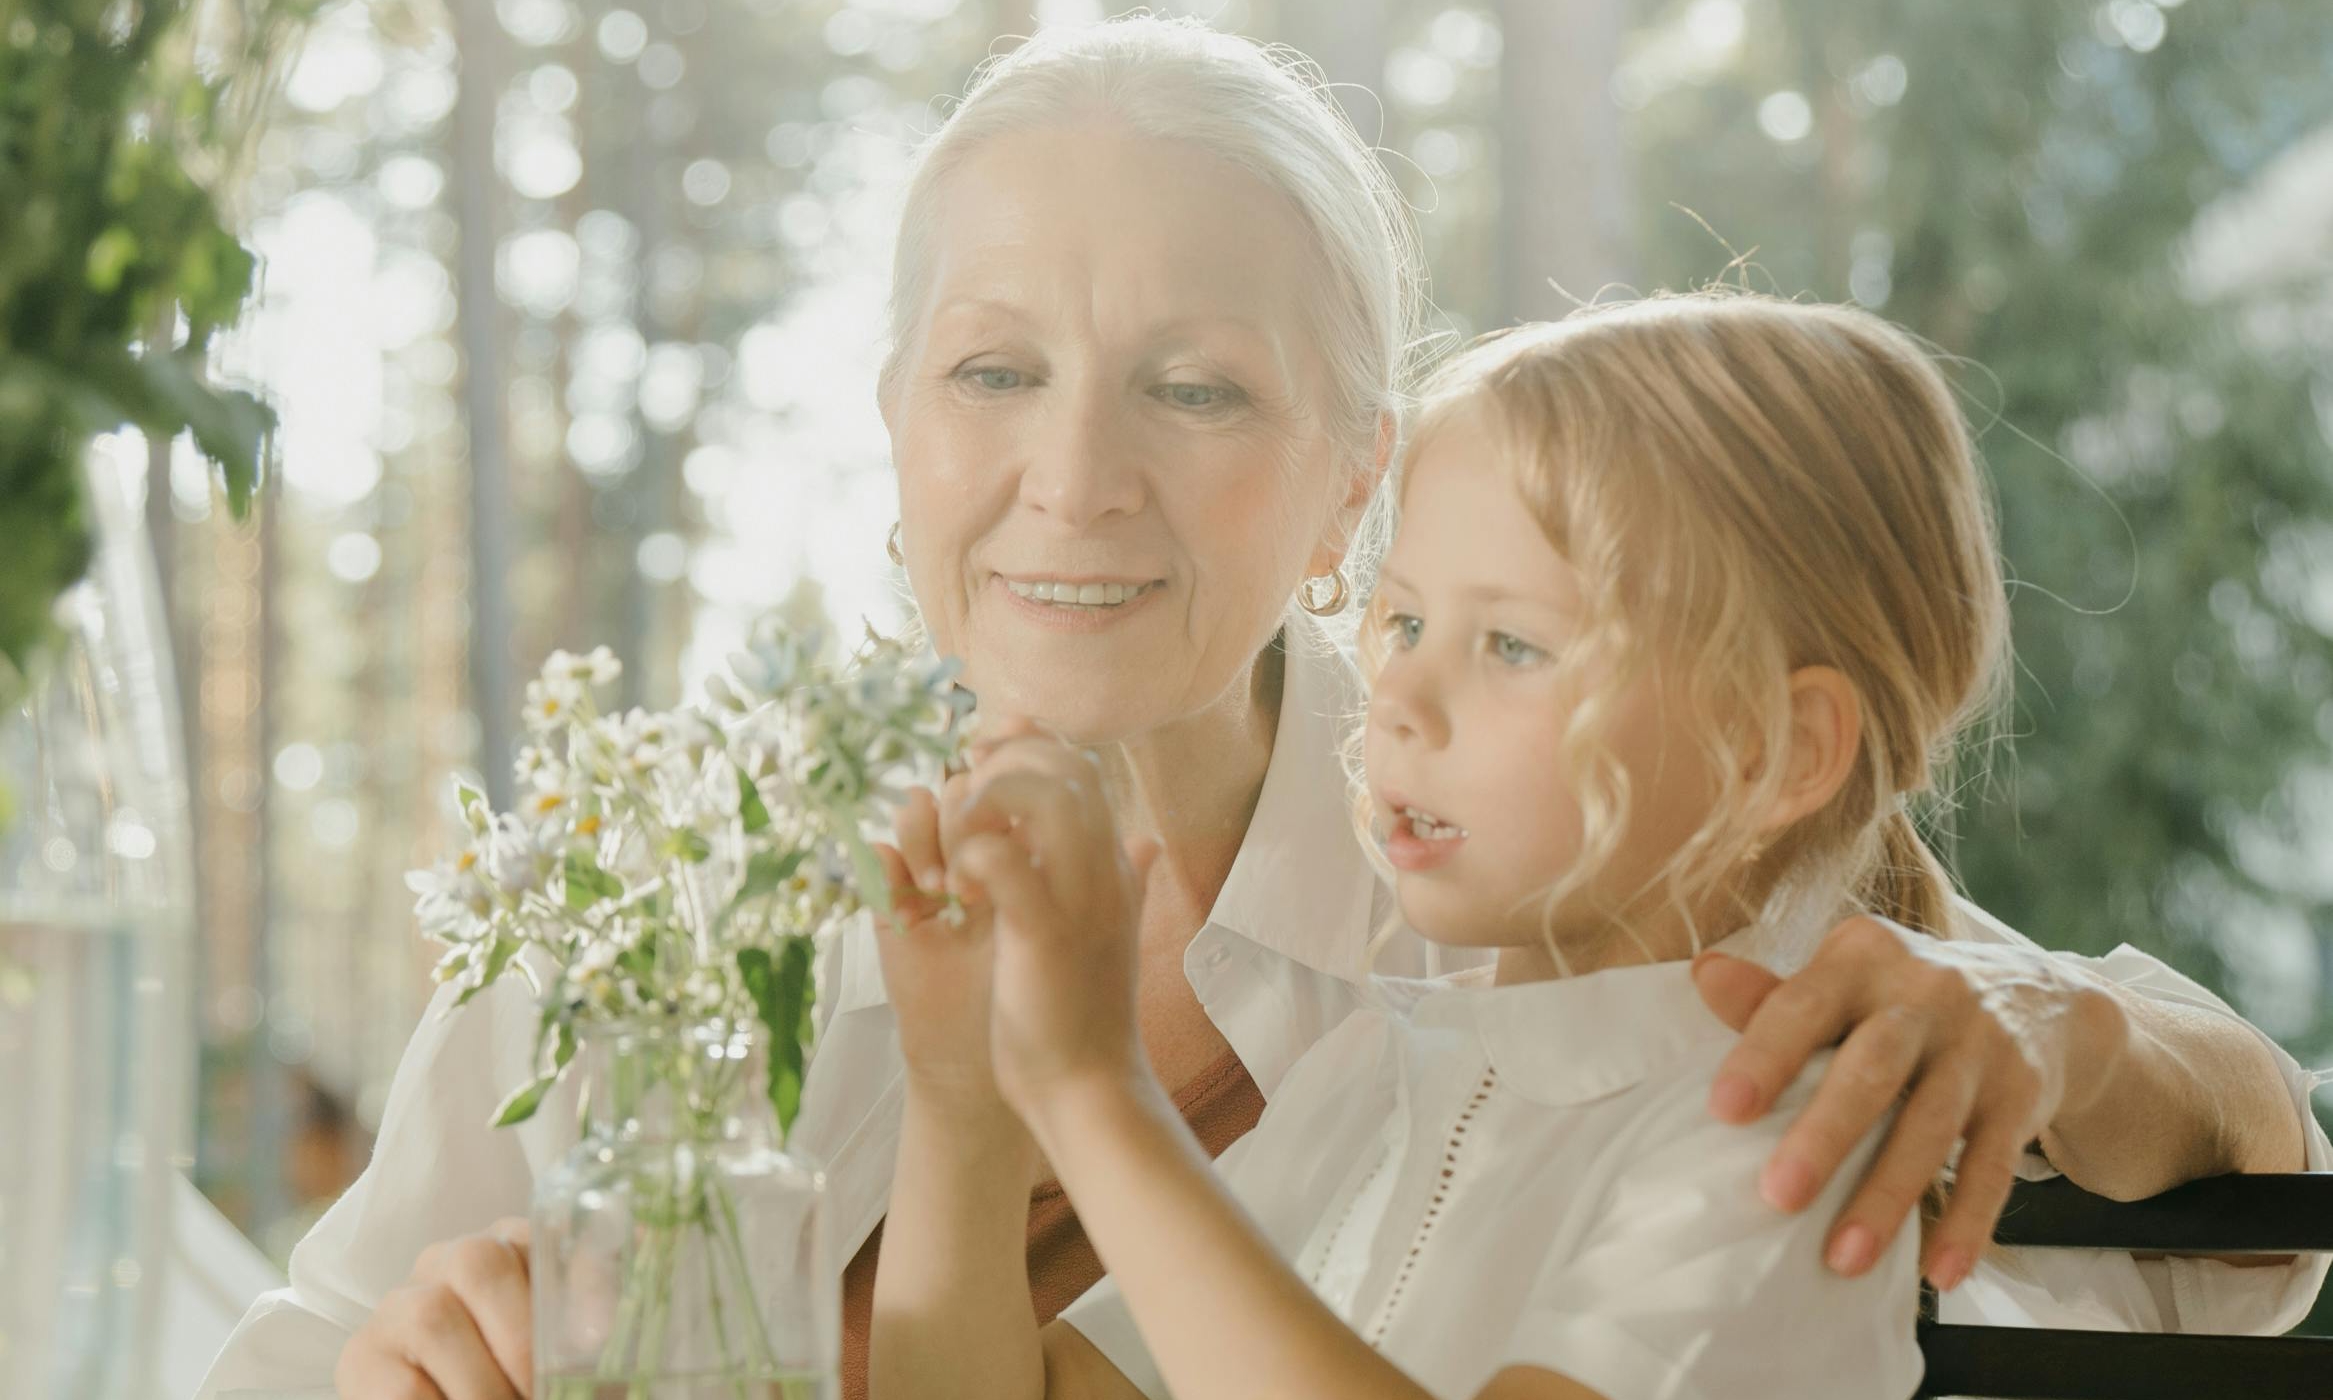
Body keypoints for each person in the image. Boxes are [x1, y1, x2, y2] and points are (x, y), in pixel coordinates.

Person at [198, 18, 2329, 1400]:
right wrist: (410, 1361)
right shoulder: (686, 888)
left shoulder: (1528, 867)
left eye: (1194, 387)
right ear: (891, 426)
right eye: (990, 372)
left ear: (1349, 474)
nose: (1072, 476)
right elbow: (289, 1352)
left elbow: (2239, 1218)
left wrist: (2066, 1036)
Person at [870, 290, 2009, 1400]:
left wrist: (1092, 1088)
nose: (1400, 692)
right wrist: (964, 1084)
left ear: (1771, 748)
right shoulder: (1363, 1074)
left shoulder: (1776, 1150)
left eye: (1510, 643)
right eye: (1405, 621)